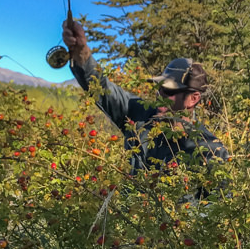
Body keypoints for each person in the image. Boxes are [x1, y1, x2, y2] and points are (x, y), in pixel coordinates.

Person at [62, 20, 228, 184]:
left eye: (169, 90)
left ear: (193, 99)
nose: (160, 95)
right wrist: (80, 52)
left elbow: (219, 205)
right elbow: (101, 88)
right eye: (159, 87)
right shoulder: (139, 115)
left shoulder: (210, 151)